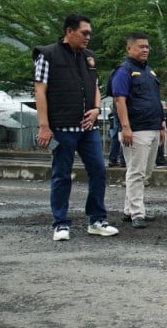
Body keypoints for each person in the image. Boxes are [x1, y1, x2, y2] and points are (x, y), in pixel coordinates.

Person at [33, 13, 119, 241]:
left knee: (99, 170)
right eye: (84, 33)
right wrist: (44, 125)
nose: (88, 37)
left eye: (89, 33)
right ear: (69, 32)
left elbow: (96, 86)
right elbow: (40, 90)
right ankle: (60, 223)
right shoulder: (47, 55)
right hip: (61, 127)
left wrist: (96, 108)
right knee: (61, 174)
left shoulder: (88, 57)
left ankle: (97, 219)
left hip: (87, 128)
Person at [109, 31, 167, 229]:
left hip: (151, 127)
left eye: (147, 47)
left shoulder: (149, 72)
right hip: (135, 129)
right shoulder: (123, 72)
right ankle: (137, 212)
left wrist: (161, 125)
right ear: (129, 48)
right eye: (141, 46)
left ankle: (129, 209)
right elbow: (119, 100)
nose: (145, 50)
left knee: (146, 172)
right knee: (136, 172)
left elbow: (154, 100)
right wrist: (125, 127)